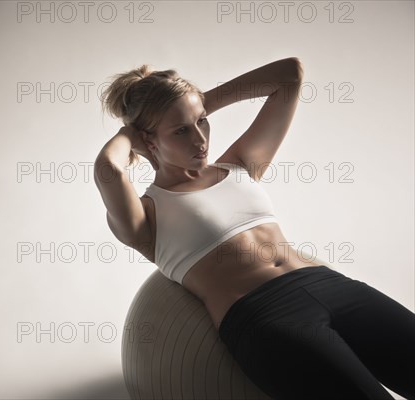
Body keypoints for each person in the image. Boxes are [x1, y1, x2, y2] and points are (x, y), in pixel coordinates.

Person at [93, 58, 415, 400]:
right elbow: (107, 166)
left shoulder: (240, 164)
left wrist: (192, 105)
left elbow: (289, 75)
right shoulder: (146, 217)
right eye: (181, 131)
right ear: (148, 141)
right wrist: (129, 134)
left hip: (332, 286)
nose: (201, 139)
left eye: (202, 122)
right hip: (267, 317)